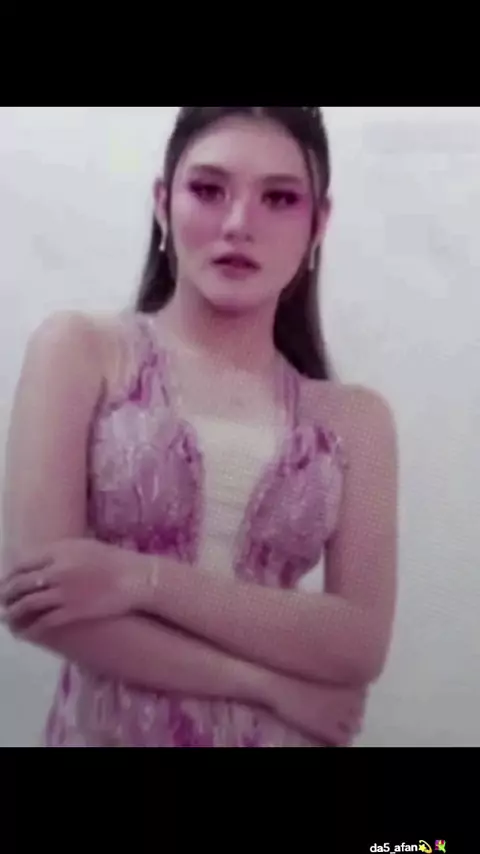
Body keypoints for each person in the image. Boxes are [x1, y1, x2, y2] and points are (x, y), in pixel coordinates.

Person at [0, 106, 398, 747]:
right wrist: (262, 683)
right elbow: (37, 600)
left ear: (319, 223)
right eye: (209, 190)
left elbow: (358, 643)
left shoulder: (355, 420)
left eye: (279, 198)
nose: (238, 224)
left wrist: (138, 579)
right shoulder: (81, 351)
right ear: (163, 202)